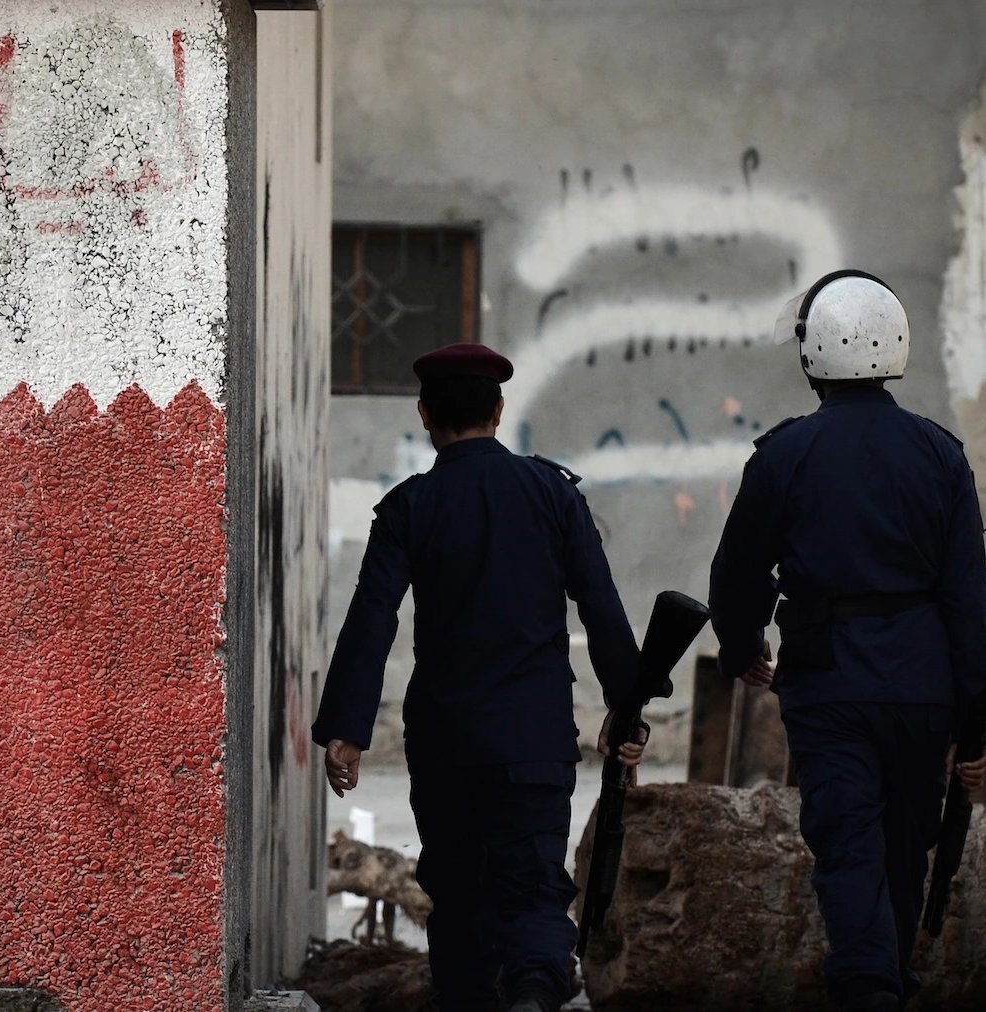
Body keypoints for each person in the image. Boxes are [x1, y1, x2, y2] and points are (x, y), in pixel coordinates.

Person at [313, 342, 646, 1012]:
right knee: (532, 891)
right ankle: (532, 990)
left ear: (424, 415)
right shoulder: (553, 494)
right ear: (499, 409)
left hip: (447, 745)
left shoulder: (409, 507)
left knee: (460, 899)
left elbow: (371, 619)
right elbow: (601, 605)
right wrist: (626, 706)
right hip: (534, 740)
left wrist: (347, 730)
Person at [709, 269, 986, 1011]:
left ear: (814, 354)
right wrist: (976, 718)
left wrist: (742, 651)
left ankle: (868, 985)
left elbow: (736, 573)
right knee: (903, 845)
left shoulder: (784, 454)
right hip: (923, 685)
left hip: (828, 683)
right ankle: (887, 978)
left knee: (850, 841)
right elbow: (968, 596)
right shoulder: (941, 454)